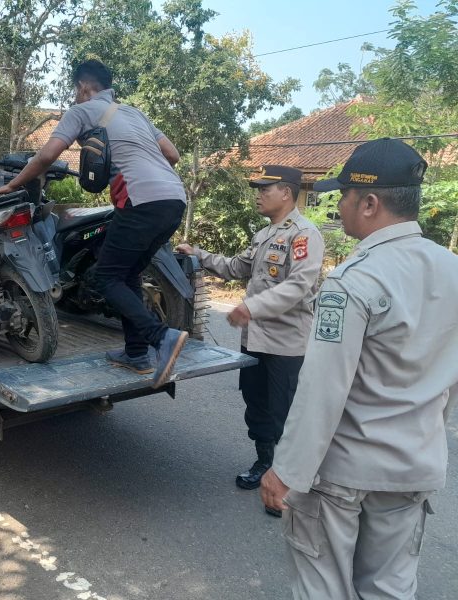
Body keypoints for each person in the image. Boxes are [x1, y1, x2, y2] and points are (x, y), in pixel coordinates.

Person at [261, 138, 458, 598]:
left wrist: (286, 469)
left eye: (345, 196)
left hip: (343, 474)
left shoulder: (355, 280)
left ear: (369, 203)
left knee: (321, 586)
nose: (339, 206)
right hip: (412, 467)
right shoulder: (451, 270)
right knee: (390, 588)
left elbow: (321, 389)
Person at [0, 59, 189, 387]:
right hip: (174, 198)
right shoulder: (135, 113)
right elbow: (173, 155)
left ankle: (160, 337)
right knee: (129, 274)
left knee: (106, 278)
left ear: (83, 88)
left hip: (140, 202)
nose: (76, 96)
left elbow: (47, 156)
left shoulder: (82, 111)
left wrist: (12, 185)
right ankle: (136, 353)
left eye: (76, 91)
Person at [177, 166, 324, 508]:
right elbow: (236, 267)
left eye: (265, 189)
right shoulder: (265, 234)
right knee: (256, 406)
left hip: (286, 344)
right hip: (254, 339)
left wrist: (252, 307)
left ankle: (289, 482)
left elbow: (299, 287)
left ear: (286, 193)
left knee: (283, 413)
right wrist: (198, 254)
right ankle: (265, 463)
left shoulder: (305, 235)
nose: (258, 194)